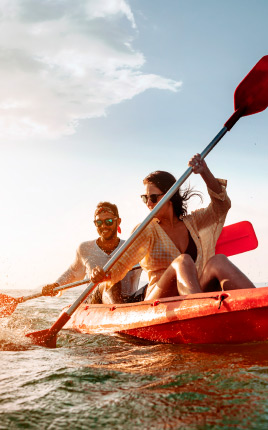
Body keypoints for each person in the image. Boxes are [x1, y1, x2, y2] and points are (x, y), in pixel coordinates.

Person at [91, 154, 255, 300]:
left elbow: (222, 205)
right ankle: (196, 311)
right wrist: (101, 274)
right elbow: (121, 265)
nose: (149, 203)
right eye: (145, 198)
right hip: (159, 298)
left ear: (170, 195)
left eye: (154, 198)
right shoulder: (146, 229)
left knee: (218, 261)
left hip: (194, 291)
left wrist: (204, 172)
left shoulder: (193, 222)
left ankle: (259, 304)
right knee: (182, 261)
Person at [42, 202, 142, 304]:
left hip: (129, 301)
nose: (103, 226)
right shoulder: (85, 248)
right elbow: (72, 273)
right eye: (99, 223)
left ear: (118, 222)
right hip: (95, 301)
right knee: (111, 282)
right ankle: (118, 313)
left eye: (109, 221)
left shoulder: (133, 247)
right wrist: (56, 286)